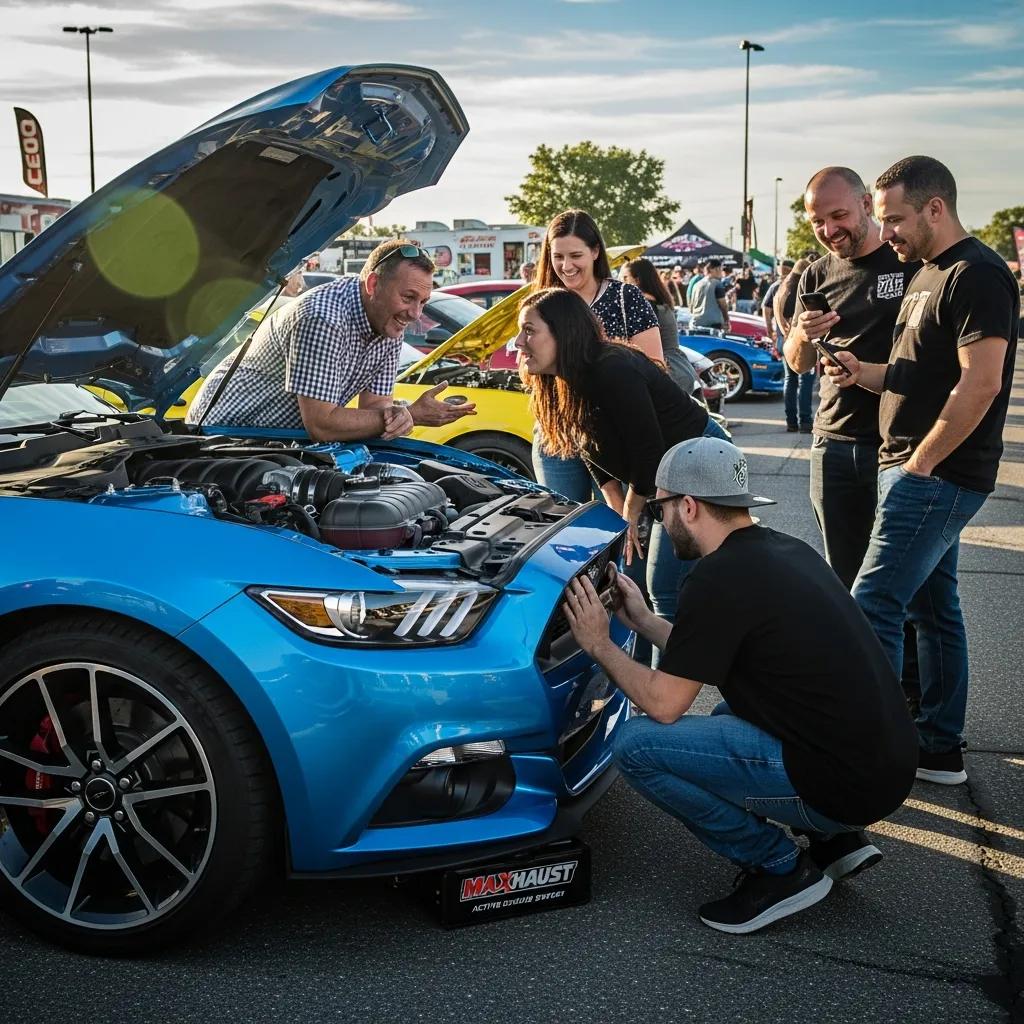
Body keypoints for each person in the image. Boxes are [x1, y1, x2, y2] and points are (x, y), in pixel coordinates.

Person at [562, 436, 918, 934]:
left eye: (661, 508)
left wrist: (600, 644)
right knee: (729, 713)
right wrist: (641, 620)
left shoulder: (716, 579)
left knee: (636, 744)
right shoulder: (779, 549)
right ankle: (835, 840)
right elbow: (709, 651)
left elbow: (664, 704)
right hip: (881, 765)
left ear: (688, 506)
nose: (659, 521)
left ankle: (779, 868)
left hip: (846, 785)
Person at [827, 156, 1019, 785]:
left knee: (873, 601)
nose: (889, 234)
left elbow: (981, 384)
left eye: (896, 219)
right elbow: (915, 373)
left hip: (935, 472)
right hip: (910, 465)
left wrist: (920, 464)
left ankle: (870, 753)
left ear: (935, 208)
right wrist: (864, 372)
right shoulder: (926, 273)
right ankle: (937, 746)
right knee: (933, 611)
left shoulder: (979, 274)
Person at [516, 288, 726, 640]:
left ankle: (665, 690)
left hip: (699, 462)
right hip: (659, 474)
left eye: (529, 330)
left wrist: (630, 513)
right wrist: (615, 501)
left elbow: (649, 450)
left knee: (664, 590)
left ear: (563, 332)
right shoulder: (565, 379)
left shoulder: (611, 368)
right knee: (632, 589)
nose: (519, 342)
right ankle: (641, 685)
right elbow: (590, 447)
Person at [187, 241, 476, 439]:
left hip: (276, 440)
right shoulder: (323, 317)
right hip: (223, 436)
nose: (415, 314)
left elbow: (374, 406)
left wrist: (400, 416)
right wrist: (410, 414)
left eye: (423, 301)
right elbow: (322, 424)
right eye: (408, 297)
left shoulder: (389, 322)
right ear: (374, 284)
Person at [530, 209, 662, 503]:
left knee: (620, 533)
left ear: (595, 251)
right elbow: (529, 368)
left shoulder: (625, 298)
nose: (566, 266)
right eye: (558, 256)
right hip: (557, 436)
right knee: (565, 535)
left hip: (615, 438)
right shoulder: (541, 302)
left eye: (575, 255)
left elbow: (656, 369)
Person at [620, 257, 700, 398]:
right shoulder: (657, 301)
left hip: (668, 372)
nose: (621, 283)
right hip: (679, 368)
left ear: (637, 280)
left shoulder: (645, 305)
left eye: (626, 278)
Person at [773, 256, 816, 432]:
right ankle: (805, 421)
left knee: (790, 380)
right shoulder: (804, 291)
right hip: (802, 341)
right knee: (805, 381)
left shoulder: (781, 290)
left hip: (786, 339)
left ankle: (791, 421)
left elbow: (769, 309)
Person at [689, 259, 729, 328]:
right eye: (720, 269)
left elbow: (691, 305)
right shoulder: (717, 284)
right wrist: (726, 320)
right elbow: (723, 305)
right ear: (714, 269)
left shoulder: (697, 284)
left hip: (695, 323)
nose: (721, 272)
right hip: (713, 324)